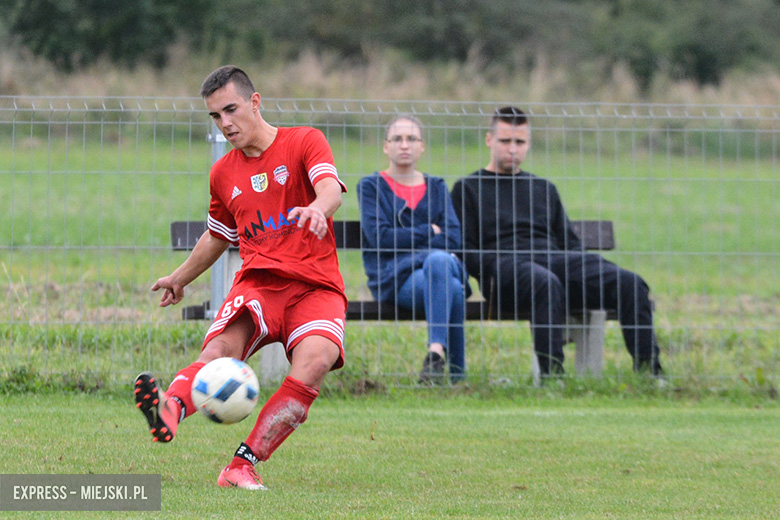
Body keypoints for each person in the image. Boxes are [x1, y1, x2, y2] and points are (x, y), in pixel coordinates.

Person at [134, 65, 348, 490]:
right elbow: (218, 235)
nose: (225, 123)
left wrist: (317, 210)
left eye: (230, 110)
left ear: (255, 101)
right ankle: (168, 409)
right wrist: (179, 277)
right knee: (220, 350)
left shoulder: (304, 141)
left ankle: (242, 465)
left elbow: (331, 188)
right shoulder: (223, 174)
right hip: (259, 284)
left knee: (316, 362)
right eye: (215, 116)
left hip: (315, 286)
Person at [451, 106, 663, 378]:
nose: (513, 149)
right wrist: (495, 264)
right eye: (505, 141)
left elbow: (570, 244)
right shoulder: (468, 189)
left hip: (554, 263)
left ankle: (650, 375)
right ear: (489, 140)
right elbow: (463, 250)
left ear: (528, 143)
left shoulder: (544, 189)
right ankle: (552, 378)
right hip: (505, 273)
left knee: (630, 283)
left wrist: (580, 264)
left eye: (520, 142)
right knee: (545, 282)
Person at [357, 116, 468, 383]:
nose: (404, 145)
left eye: (412, 139)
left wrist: (409, 242)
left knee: (440, 264)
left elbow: (453, 238)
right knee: (451, 284)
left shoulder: (437, 187)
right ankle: (456, 377)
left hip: (433, 272)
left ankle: (435, 354)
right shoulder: (371, 187)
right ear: (386, 146)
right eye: (397, 139)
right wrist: (429, 231)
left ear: (422, 147)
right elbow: (381, 239)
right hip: (395, 278)